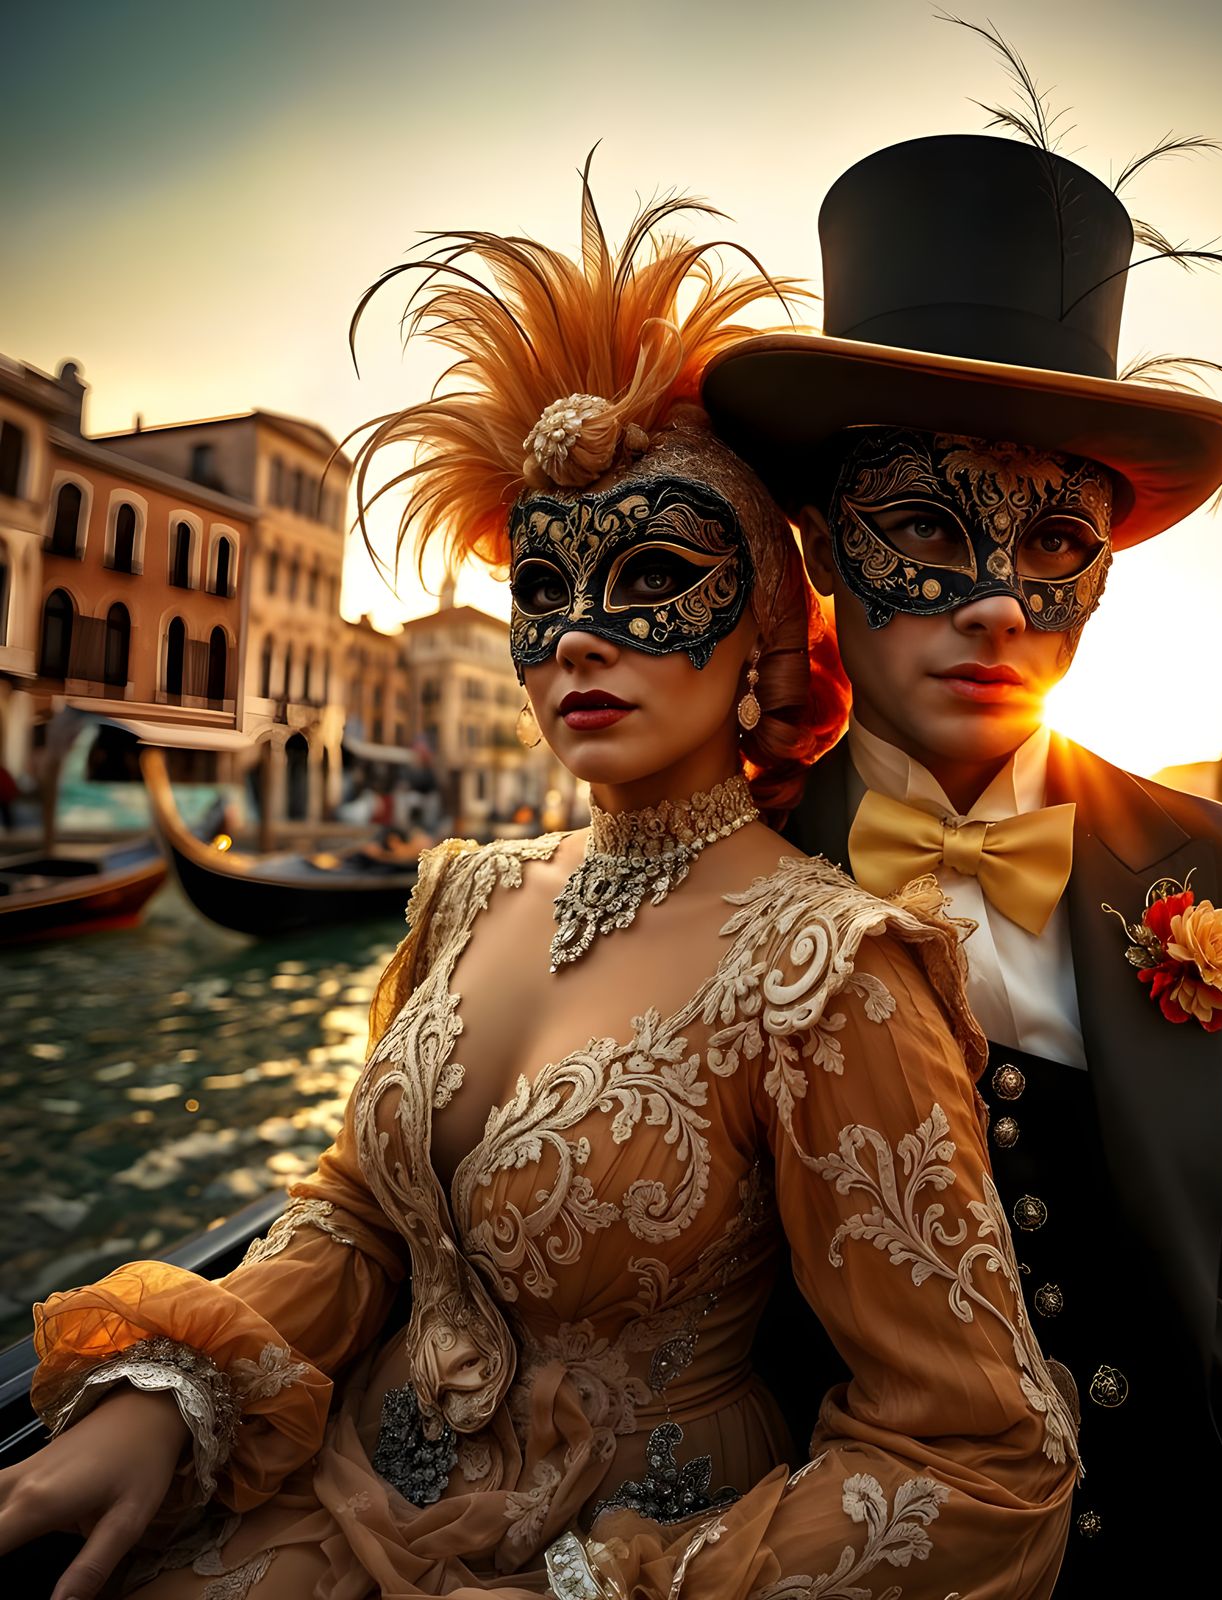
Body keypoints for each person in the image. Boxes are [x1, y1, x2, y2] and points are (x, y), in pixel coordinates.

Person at [0, 171, 1075, 1599]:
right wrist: (168, 1392)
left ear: (762, 621)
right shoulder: (461, 891)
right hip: (328, 1498)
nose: (583, 636)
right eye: (544, 591)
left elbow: (977, 1460)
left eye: (652, 573)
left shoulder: (829, 968)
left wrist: (610, 1588)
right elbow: (359, 1218)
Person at [703, 123, 1222, 1591]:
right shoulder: (717, 881)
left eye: (1056, 543)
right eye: (922, 528)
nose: (1000, 608)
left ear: (1105, 572)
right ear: (824, 549)